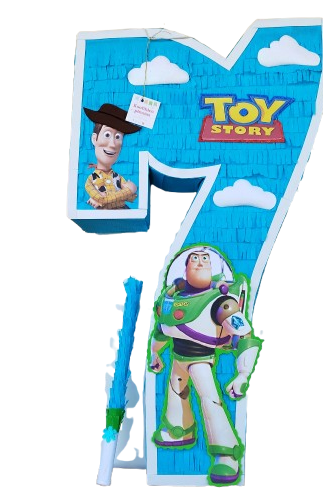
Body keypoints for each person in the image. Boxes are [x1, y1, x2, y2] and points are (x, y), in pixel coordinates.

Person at [148, 246, 262, 485]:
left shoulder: (221, 302)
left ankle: (227, 453)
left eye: (205, 260)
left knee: (210, 400)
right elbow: (162, 330)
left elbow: (244, 335)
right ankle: (180, 429)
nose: (200, 262)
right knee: (176, 393)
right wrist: (155, 353)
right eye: (194, 259)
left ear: (213, 268)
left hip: (201, 360)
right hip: (178, 359)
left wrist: (243, 374)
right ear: (185, 268)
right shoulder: (172, 299)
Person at [83, 103, 141, 209]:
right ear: (94, 139)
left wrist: (130, 191)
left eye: (118, 137)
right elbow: (103, 200)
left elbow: (131, 198)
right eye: (107, 135)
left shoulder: (118, 177)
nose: (113, 144)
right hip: (104, 215)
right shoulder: (90, 180)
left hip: (124, 212)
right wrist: (129, 190)